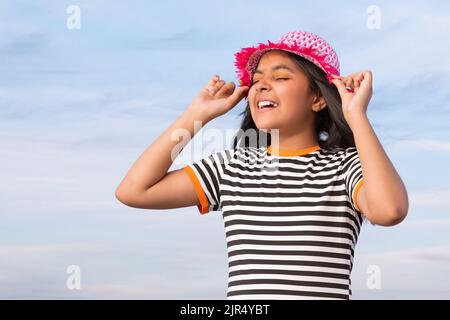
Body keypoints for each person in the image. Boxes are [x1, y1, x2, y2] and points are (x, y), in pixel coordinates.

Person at [115, 30, 409, 300]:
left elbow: (389, 211)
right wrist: (196, 115)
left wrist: (356, 115)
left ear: (318, 97)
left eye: (281, 78)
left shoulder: (344, 167)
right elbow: (134, 191)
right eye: (256, 81)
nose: (262, 86)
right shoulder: (232, 167)